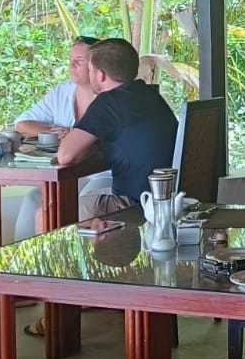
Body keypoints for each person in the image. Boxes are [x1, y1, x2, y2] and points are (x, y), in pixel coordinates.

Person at [56, 37, 178, 212]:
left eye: (90, 70)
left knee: (53, 211)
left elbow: (65, 156)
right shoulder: (149, 95)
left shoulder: (108, 102)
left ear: (100, 75)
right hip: (167, 197)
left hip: (137, 203)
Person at [12, 35, 112, 241]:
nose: (71, 66)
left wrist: (77, 136)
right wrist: (55, 131)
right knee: (33, 199)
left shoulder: (110, 96)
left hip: (102, 174)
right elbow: (21, 123)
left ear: (96, 66)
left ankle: (65, 254)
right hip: (68, 175)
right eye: (70, 60)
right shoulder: (62, 93)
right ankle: (20, 255)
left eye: (79, 61)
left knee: (80, 202)